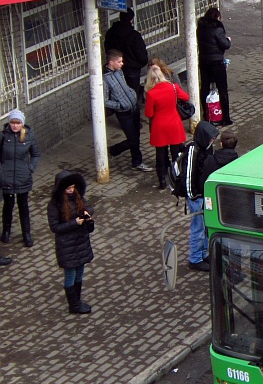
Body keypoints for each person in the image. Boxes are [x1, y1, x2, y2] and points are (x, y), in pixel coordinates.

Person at [47, 170, 95, 314]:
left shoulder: (77, 197)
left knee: (79, 271)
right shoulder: (54, 205)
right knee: (70, 274)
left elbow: (88, 206)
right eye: (68, 188)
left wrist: (87, 213)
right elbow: (55, 227)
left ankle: (77, 301)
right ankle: (73, 305)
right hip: (67, 245)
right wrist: (75, 223)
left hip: (80, 241)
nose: (71, 190)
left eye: (72, 187)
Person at [104, 49, 151, 172]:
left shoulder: (119, 72)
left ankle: (136, 161)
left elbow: (124, 86)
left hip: (133, 106)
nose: (122, 64)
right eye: (119, 61)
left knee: (136, 137)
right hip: (123, 112)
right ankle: (113, 151)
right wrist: (119, 106)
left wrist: (132, 94)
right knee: (132, 139)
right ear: (111, 62)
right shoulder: (104, 79)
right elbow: (103, 100)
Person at [181, 120, 219, 272]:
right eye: (210, 138)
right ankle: (195, 258)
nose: (212, 141)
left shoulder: (205, 148)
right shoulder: (193, 151)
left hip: (203, 195)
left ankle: (203, 254)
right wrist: (194, 197)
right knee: (198, 228)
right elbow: (188, 178)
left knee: (204, 228)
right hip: (196, 197)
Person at [144, 63, 189, 190]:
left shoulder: (151, 94)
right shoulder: (173, 87)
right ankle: (177, 178)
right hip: (174, 124)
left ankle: (162, 182)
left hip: (160, 126)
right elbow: (186, 97)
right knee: (176, 154)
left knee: (160, 155)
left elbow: (149, 113)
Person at [1, 109, 41, 248]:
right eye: (12, 122)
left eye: (18, 123)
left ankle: (26, 234)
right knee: (8, 206)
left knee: (23, 206)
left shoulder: (28, 136)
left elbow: (36, 154)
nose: (15, 126)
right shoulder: (3, 137)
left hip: (22, 178)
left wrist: (29, 169)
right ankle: (6, 231)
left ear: (22, 124)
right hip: (6, 178)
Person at [197, 6, 233, 125]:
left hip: (203, 60)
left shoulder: (200, 27)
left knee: (205, 88)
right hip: (217, 62)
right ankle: (225, 118)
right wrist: (228, 40)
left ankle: (206, 115)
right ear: (217, 17)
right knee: (222, 89)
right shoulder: (217, 29)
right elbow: (224, 44)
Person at [104, 9, 149, 103]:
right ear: (131, 19)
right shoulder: (134, 35)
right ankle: (133, 115)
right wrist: (140, 63)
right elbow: (141, 54)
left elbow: (108, 50)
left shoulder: (110, 33)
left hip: (115, 68)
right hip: (132, 69)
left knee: (118, 93)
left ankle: (123, 112)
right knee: (133, 94)